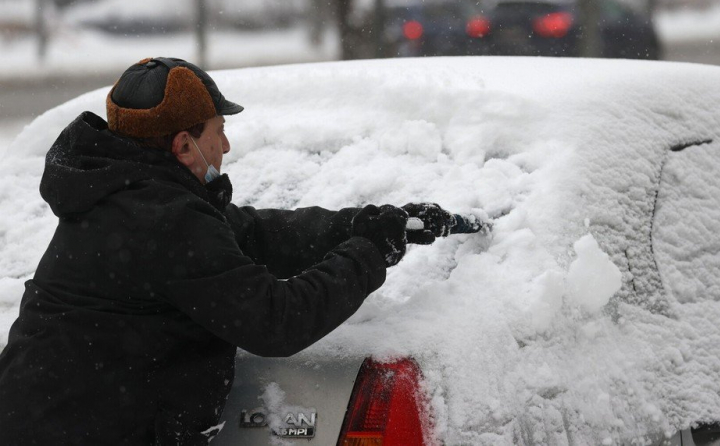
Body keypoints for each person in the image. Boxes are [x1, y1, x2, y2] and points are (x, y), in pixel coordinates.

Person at [0, 57, 453, 445]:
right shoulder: (165, 221)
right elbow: (277, 321)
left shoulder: (118, 195)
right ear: (183, 145)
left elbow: (251, 232)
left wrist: (358, 223)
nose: (226, 146)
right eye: (219, 131)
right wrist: (369, 254)